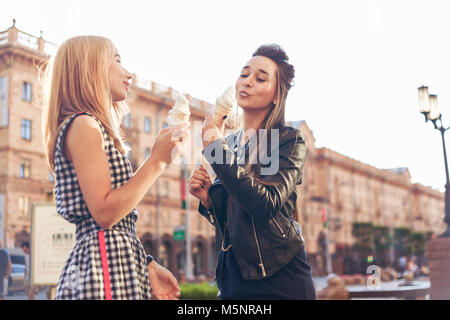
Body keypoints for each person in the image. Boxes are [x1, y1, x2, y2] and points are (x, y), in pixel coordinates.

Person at [41, 35, 189, 300]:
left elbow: (114, 219)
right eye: (117, 61)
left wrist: (147, 263)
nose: (128, 72)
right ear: (91, 69)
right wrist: (157, 161)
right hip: (103, 267)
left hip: (112, 261)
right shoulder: (84, 126)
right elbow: (105, 213)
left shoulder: (90, 127)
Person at [188, 44, 316, 299]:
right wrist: (208, 200)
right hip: (234, 279)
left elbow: (264, 204)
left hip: (280, 281)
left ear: (277, 95)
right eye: (244, 74)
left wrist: (215, 150)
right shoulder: (232, 143)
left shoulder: (289, 140)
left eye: (260, 78)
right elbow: (236, 221)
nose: (247, 82)